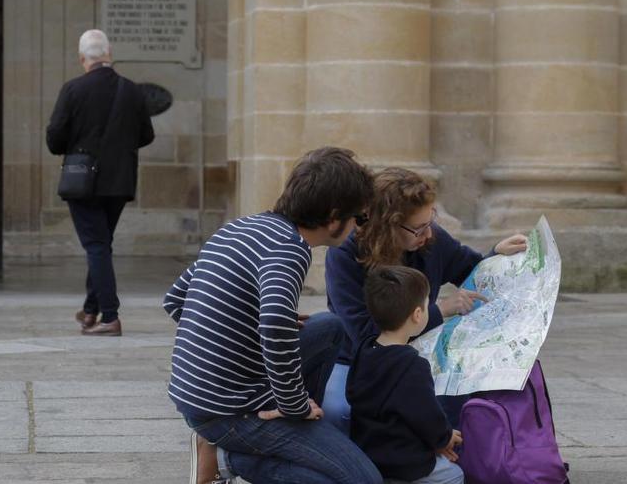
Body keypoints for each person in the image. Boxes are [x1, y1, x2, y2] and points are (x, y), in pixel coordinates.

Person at [163, 147, 382, 484]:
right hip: (228, 411)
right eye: (359, 218)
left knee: (330, 327)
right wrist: (296, 405)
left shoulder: (243, 228)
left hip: (195, 395)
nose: (358, 227)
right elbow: (275, 325)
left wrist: (244, 317)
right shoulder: (290, 249)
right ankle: (230, 458)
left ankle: (289, 428)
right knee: (363, 480)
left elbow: (175, 299)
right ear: (335, 215)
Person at [322, 167, 528, 432]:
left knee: (458, 396)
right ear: (387, 225)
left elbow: (471, 270)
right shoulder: (345, 253)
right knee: (340, 412)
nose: (428, 234)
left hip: (421, 352)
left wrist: (496, 255)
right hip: (358, 360)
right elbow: (364, 335)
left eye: (430, 221)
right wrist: (439, 311)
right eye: (419, 229)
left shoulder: (431, 239)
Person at [46, 29, 154, 336]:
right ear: (110, 55)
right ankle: (91, 310)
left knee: (96, 247)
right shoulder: (131, 90)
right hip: (119, 182)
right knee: (101, 245)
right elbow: (147, 135)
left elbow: (55, 139)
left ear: (83, 59)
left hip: (83, 182)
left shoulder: (73, 89)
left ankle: (110, 316)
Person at [348, 265, 464, 484]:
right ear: (418, 315)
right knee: (455, 475)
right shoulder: (412, 365)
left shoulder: (365, 349)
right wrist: (445, 437)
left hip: (368, 453)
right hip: (405, 462)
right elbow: (427, 415)